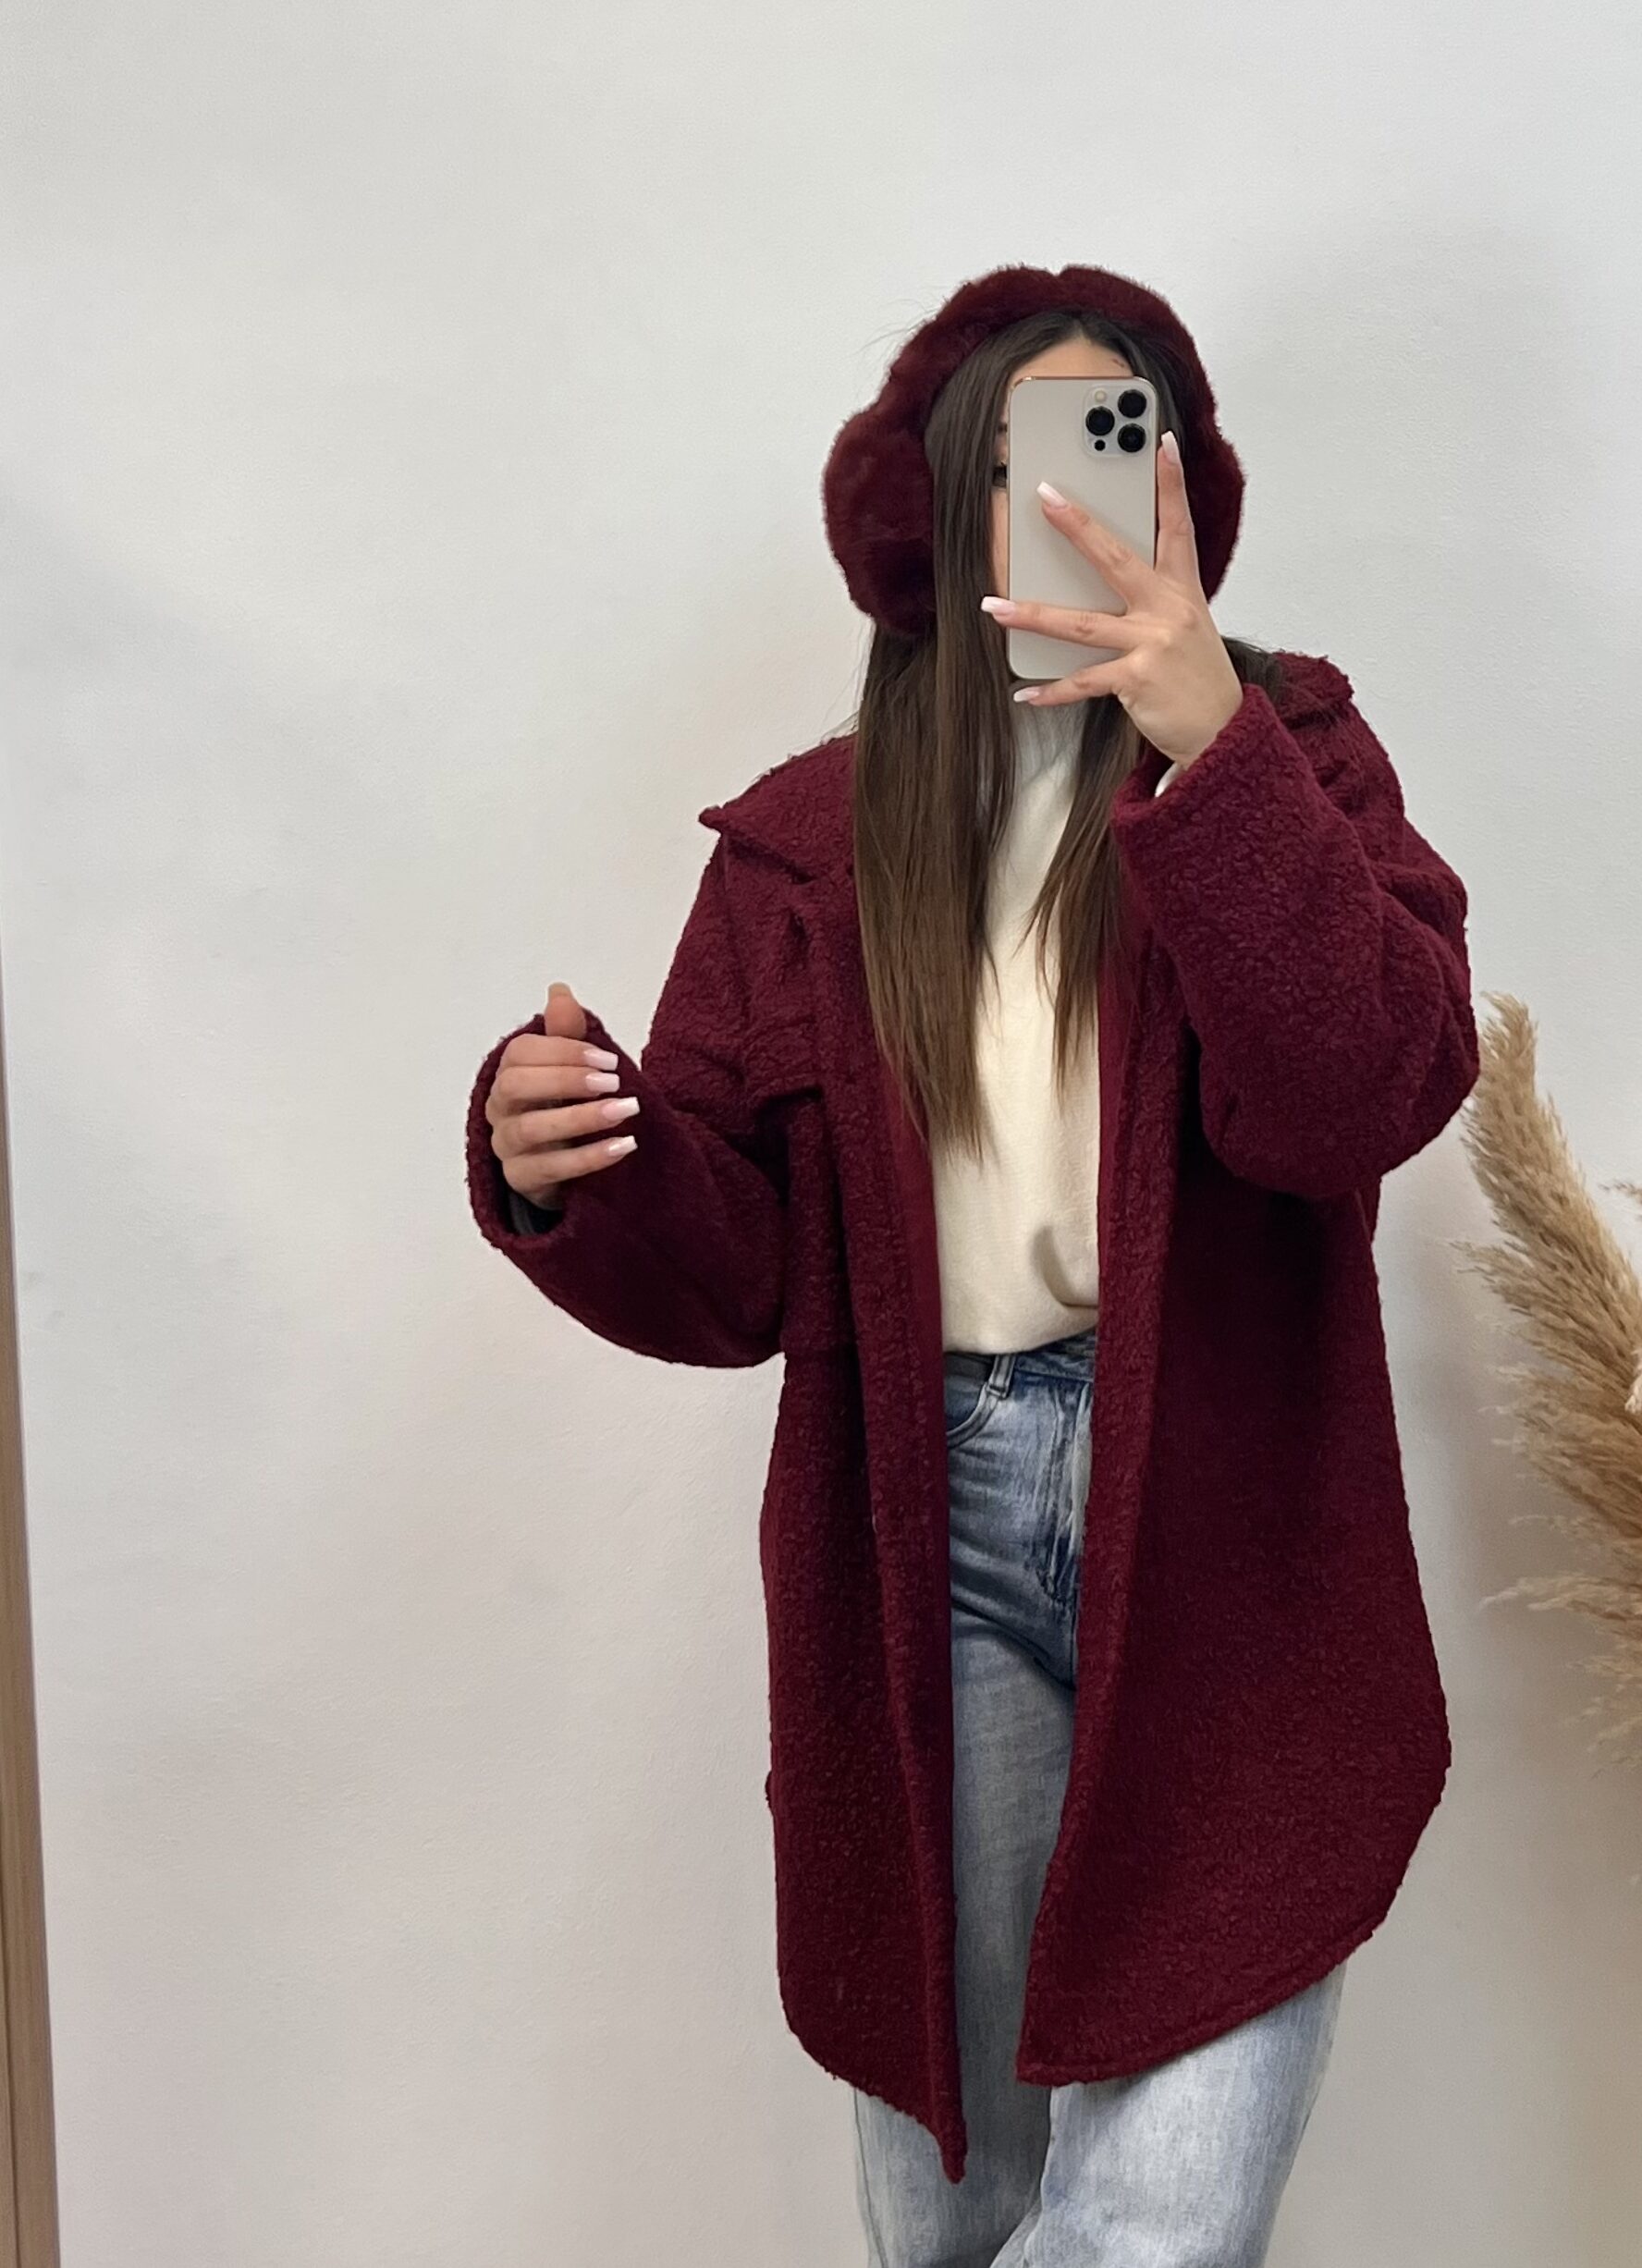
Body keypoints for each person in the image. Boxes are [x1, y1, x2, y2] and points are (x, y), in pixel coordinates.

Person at [461, 262, 1478, 2268]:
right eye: (1025, 454)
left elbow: (1368, 1086)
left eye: (1120, 441)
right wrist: (573, 1158)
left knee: (1158, 2215)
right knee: (966, 2202)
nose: (1072, 494)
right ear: (943, 495)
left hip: (1226, 1528)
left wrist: (1210, 746)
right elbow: (743, 1271)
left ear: (1178, 491)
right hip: (926, 1528)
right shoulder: (809, 847)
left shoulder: (1291, 754)